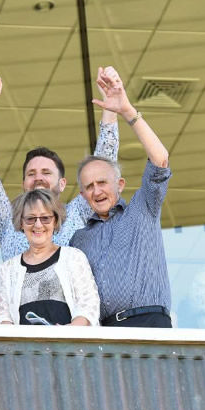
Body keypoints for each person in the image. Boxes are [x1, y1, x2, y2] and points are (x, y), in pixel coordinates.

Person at [0, 68, 120, 261]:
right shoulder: (7, 220)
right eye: (31, 173)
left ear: (63, 183)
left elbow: (102, 168)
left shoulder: (77, 214)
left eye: (46, 172)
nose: (38, 177)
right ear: (24, 184)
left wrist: (110, 108)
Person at [69, 68, 172, 328]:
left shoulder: (143, 208)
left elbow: (160, 160)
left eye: (102, 182)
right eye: (89, 186)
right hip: (106, 334)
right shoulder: (79, 239)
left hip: (151, 322)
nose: (97, 191)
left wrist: (126, 110)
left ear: (120, 184)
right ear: (83, 195)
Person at [0, 189, 99, 326]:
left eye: (45, 218)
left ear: (55, 221)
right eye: (30, 218)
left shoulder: (74, 257)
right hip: (25, 347)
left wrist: (70, 332)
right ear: (21, 223)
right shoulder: (7, 269)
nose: (38, 225)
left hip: (69, 345)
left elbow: (89, 305)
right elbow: (1, 316)